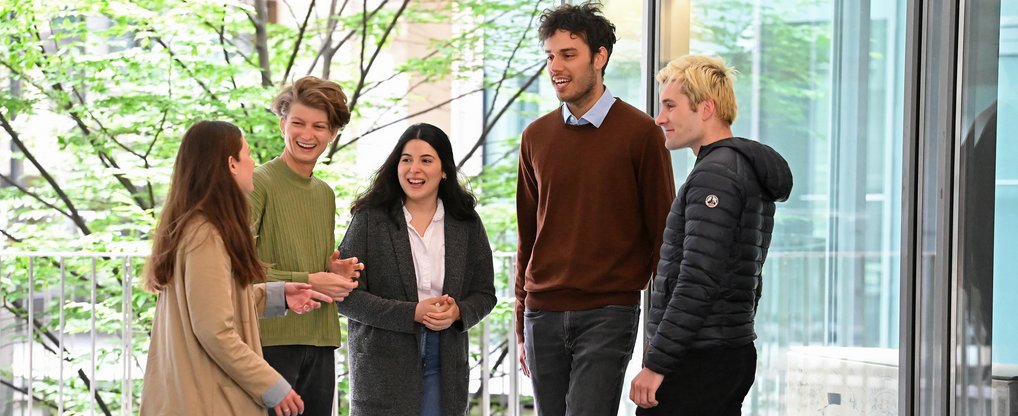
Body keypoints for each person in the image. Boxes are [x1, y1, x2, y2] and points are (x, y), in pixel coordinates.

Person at [514, 2, 675, 415]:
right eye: (550, 56)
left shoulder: (641, 134)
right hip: (542, 314)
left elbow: (664, 238)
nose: (556, 67)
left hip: (609, 311)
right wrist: (520, 324)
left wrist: (659, 339)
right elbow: (527, 235)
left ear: (599, 57)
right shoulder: (535, 136)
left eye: (569, 55)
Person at [628, 55, 793, 415]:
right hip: (727, 350)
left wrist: (657, 363)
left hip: (698, 360)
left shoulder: (715, 176)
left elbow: (698, 279)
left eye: (670, 106)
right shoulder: (739, 169)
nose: (660, 118)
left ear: (706, 109)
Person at [140, 120, 333, 416]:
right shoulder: (205, 233)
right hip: (205, 399)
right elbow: (214, 329)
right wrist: (272, 384)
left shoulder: (198, 226)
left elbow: (213, 302)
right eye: (247, 153)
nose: (253, 161)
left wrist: (278, 295)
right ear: (231, 164)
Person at [336, 123, 497, 416]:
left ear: (444, 170)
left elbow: (485, 293)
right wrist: (411, 313)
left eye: (426, 160)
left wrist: (459, 312)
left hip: (445, 360)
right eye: (407, 159)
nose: (414, 169)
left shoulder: (466, 223)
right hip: (383, 366)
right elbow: (346, 296)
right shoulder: (370, 219)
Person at [251, 76, 363, 416]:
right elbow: (237, 268)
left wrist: (332, 274)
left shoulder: (324, 193)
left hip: (321, 338)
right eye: (297, 123)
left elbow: (309, 267)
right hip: (269, 339)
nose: (307, 134)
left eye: (319, 126)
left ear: (333, 133)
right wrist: (313, 279)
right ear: (282, 123)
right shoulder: (258, 182)